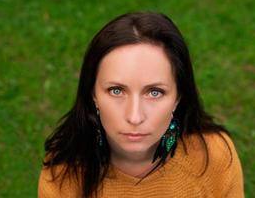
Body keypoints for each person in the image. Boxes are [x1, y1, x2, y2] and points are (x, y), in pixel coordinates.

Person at [38, 12, 244, 198]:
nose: (134, 117)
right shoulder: (63, 170)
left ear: (178, 97)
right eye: (116, 90)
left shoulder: (214, 156)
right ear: (93, 94)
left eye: (154, 92)